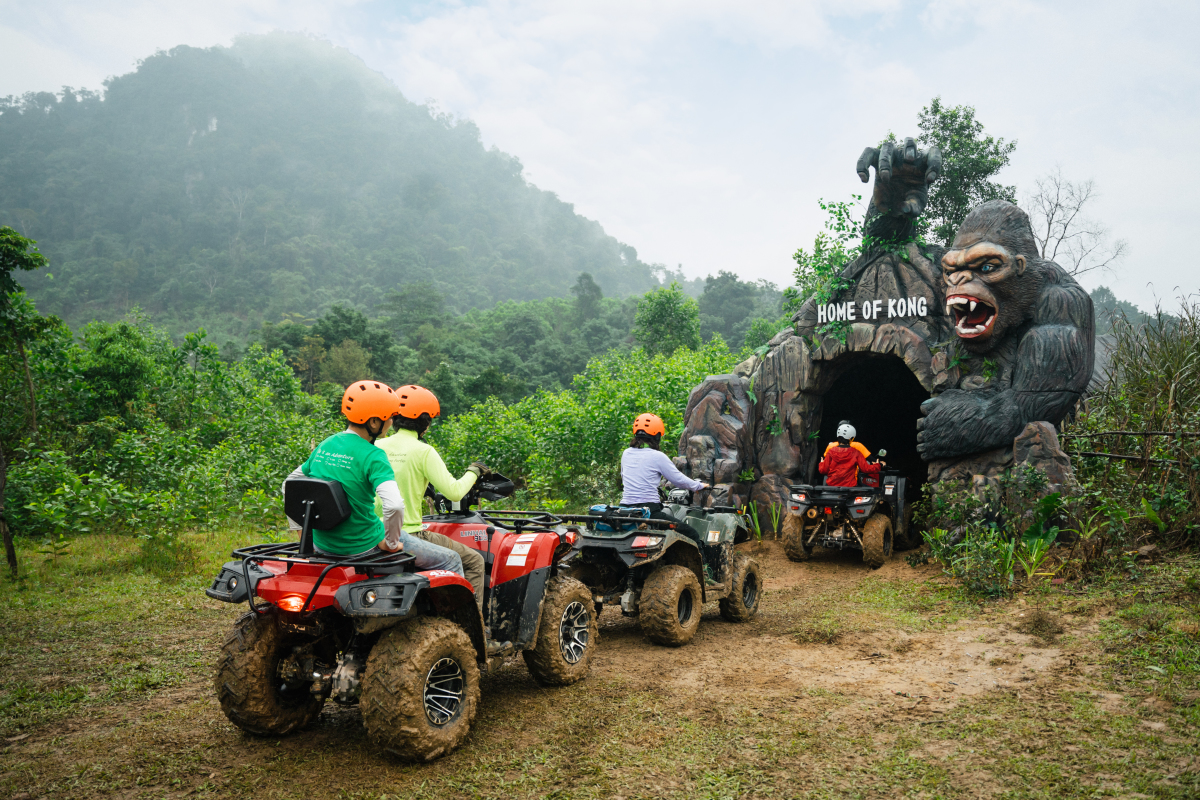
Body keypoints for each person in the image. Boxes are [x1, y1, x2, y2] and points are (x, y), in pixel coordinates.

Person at [282, 381, 465, 579]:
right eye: (390, 417)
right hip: (363, 545)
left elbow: (289, 486)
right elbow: (394, 505)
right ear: (374, 422)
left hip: (322, 544)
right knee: (452, 559)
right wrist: (391, 544)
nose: (392, 423)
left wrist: (303, 533)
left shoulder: (326, 445)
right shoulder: (373, 456)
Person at [375, 385, 488, 616]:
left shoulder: (376, 445)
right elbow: (455, 492)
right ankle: (469, 627)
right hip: (410, 534)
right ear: (425, 423)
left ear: (395, 417)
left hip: (373, 532)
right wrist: (474, 471)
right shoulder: (423, 451)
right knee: (474, 561)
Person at [618, 413, 717, 576]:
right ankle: (705, 575)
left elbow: (626, 478)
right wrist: (699, 486)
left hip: (625, 512)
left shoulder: (626, 454)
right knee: (691, 533)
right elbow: (679, 480)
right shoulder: (658, 457)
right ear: (657, 436)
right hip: (650, 512)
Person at [818, 422, 883, 488]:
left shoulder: (830, 451)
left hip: (831, 485)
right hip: (850, 486)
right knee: (871, 490)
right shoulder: (856, 452)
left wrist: (821, 463)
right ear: (852, 438)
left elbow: (823, 470)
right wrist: (878, 465)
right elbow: (866, 469)